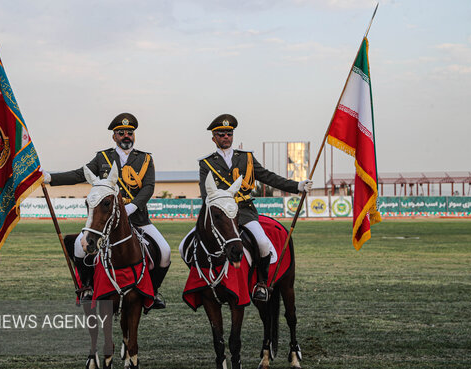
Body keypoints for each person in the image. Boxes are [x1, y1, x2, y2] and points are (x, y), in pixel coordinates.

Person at [43, 113, 170, 310]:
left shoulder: (145, 159)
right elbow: (79, 174)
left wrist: (130, 207)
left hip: (138, 218)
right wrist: (50, 178)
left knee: (165, 252)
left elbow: (148, 187)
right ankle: (88, 288)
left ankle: (153, 292)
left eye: (129, 132)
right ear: (114, 137)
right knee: (79, 246)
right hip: (106, 220)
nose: (126, 136)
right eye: (121, 133)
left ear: (134, 135)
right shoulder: (103, 157)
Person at [198, 114, 312, 301]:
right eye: (221, 134)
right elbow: (205, 194)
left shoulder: (247, 158)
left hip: (244, 211)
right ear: (214, 138)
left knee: (262, 243)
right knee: (187, 245)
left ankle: (261, 284)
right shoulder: (206, 163)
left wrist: (297, 186)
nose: (226, 137)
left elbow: (268, 177)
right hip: (220, 215)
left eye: (229, 133)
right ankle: (202, 281)